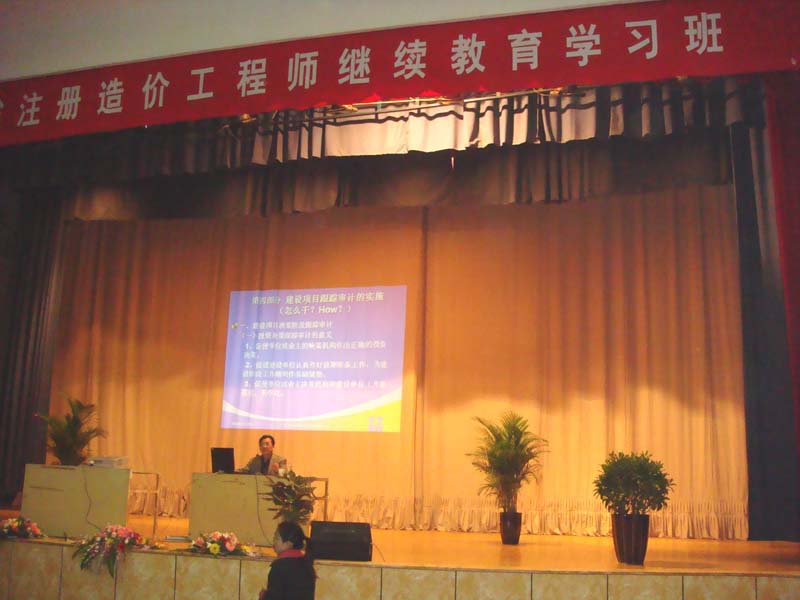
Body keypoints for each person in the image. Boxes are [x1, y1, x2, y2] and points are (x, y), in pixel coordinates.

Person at [259, 521, 316, 600]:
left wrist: (264, 596)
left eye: (277, 538)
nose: (274, 541)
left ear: (288, 544)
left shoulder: (279, 567)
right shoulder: (306, 563)